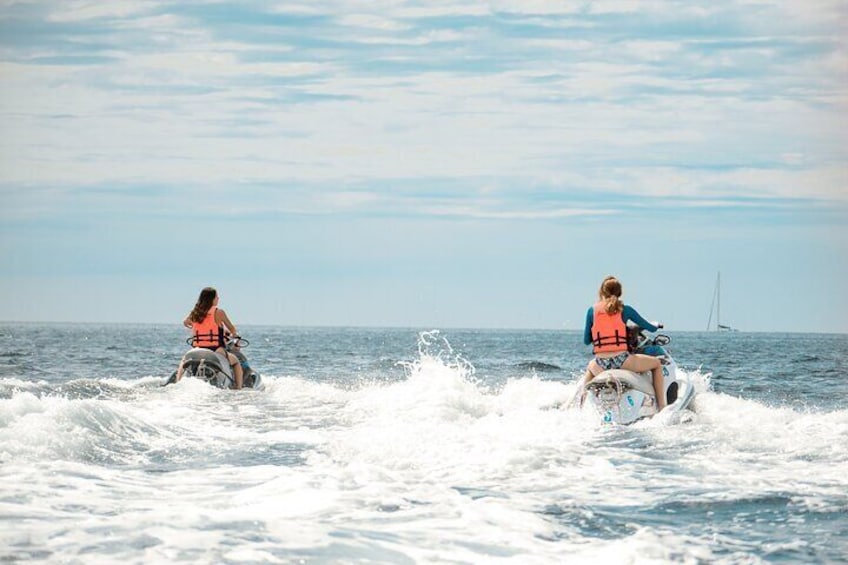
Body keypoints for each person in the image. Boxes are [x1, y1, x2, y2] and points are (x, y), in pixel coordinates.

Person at [578, 276, 666, 411]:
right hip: (622, 361)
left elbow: (586, 341)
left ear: (601, 291)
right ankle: (662, 407)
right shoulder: (625, 310)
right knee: (656, 364)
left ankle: (581, 405)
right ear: (620, 293)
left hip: (601, 364)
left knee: (590, 366)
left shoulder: (592, 311)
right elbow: (650, 327)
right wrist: (655, 325)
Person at [175, 287, 243, 389]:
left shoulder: (195, 312)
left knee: (184, 361)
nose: (218, 298)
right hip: (216, 349)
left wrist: (193, 326)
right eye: (216, 296)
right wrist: (234, 335)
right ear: (211, 299)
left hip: (198, 349)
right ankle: (238, 388)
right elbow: (232, 329)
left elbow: (185, 322)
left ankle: (178, 384)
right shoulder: (219, 312)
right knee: (236, 362)